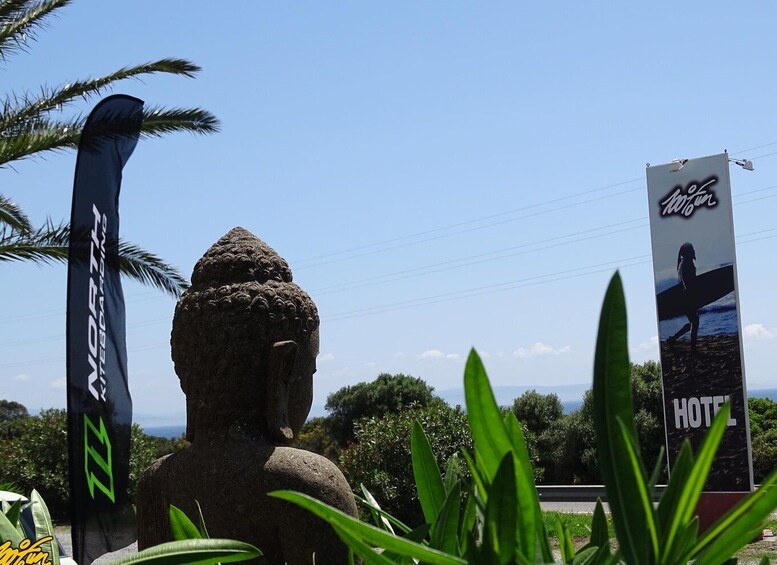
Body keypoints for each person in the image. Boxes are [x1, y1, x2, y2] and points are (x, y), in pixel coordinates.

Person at [668, 242, 700, 355]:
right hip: (688, 297)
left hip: (685, 297)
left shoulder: (682, 262)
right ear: (689, 252)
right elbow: (686, 281)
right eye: (692, 249)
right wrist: (692, 296)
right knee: (695, 322)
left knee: (693, 322)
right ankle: (693, 349)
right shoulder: (687, 263)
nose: (694, 251)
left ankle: (673, 339)